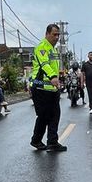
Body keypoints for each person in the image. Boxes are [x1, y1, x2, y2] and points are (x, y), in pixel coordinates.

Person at [30, 24, 67, 152]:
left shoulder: (53, 49)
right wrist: (52, 77)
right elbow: (44, 64)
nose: (57, 37)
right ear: (47, 34)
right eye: (54, 34)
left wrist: (59, 77)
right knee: (44, 116)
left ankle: (52, 142)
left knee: (55, 115)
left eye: (58, 35)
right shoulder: (42, 47)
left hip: (52, 89)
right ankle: (36, 140)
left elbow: (54, 67)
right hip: (40, 88)